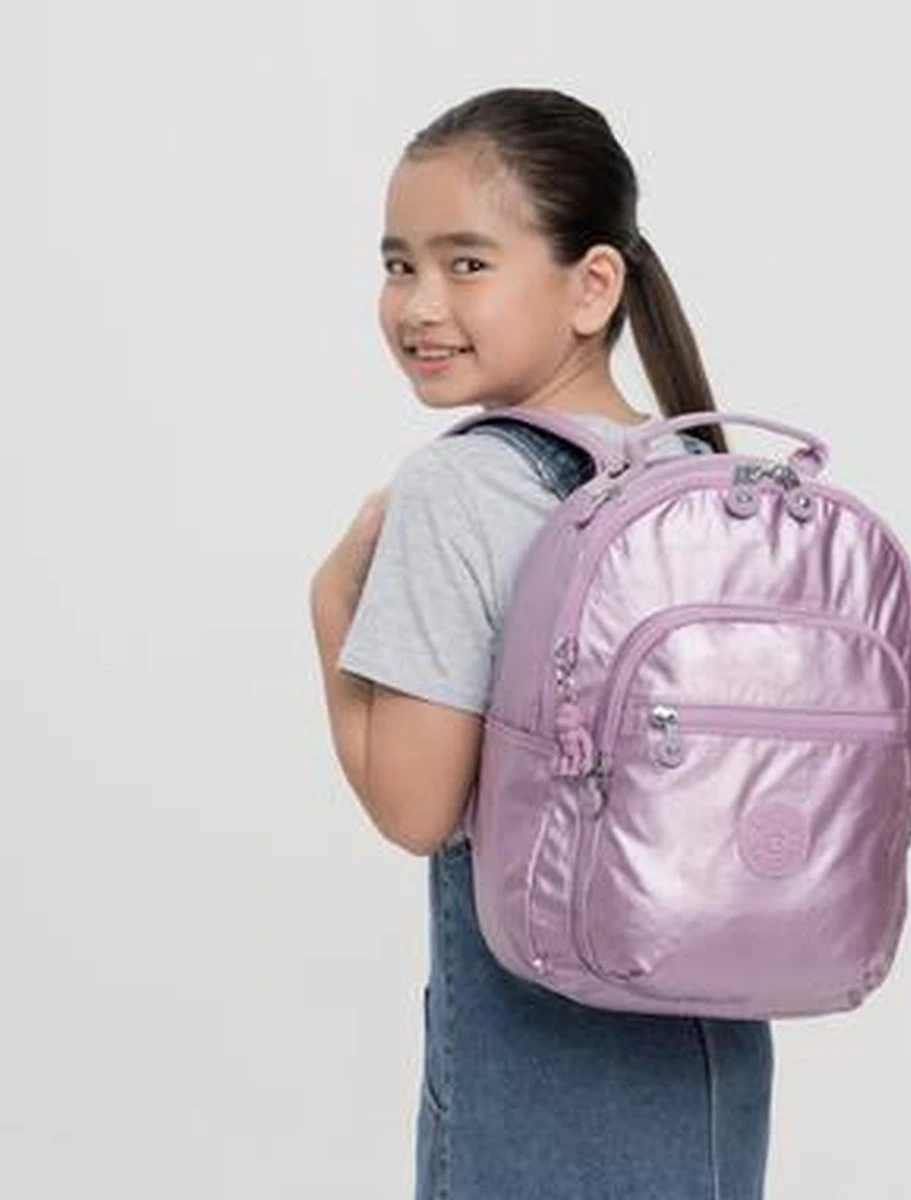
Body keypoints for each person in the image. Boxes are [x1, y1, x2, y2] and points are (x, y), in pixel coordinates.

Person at [310, 86, 773, 1200]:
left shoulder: (461, 488)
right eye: (398, 264)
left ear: (593, 285)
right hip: (715, 1052)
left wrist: (330, 614)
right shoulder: (704, 477)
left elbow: (416, 808)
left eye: (467, 263)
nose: (420, 304)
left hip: (540, 1067)